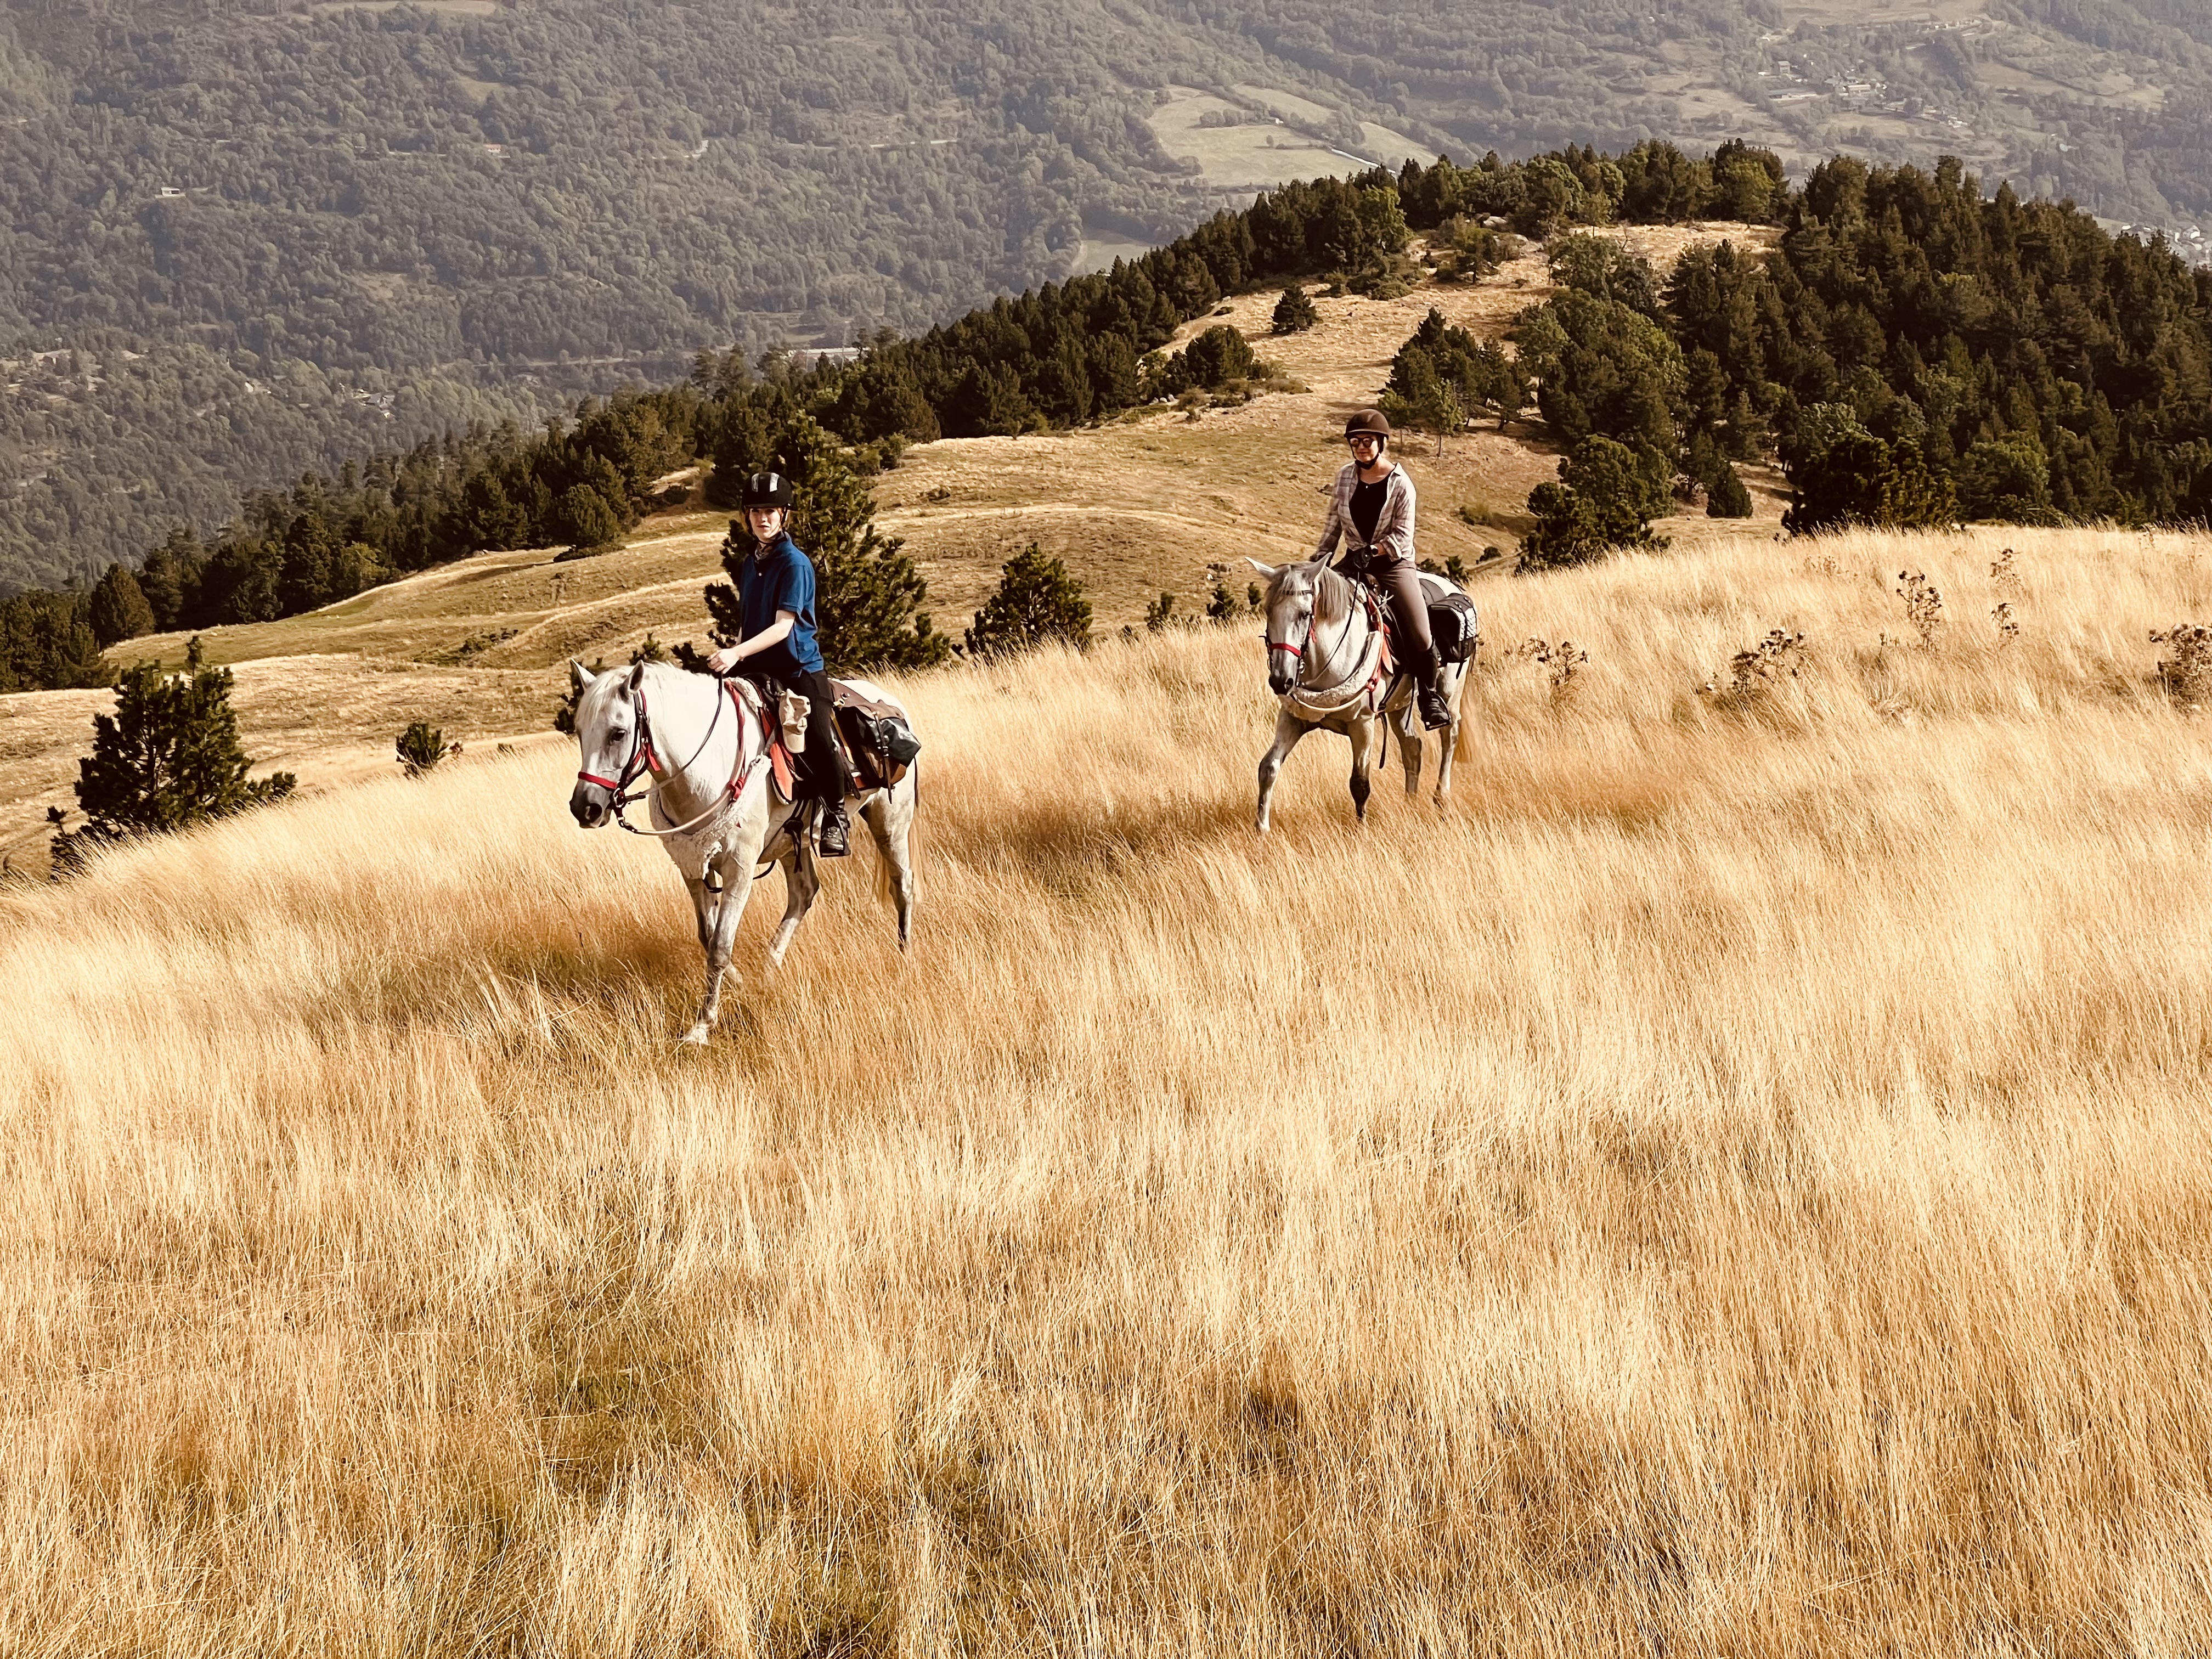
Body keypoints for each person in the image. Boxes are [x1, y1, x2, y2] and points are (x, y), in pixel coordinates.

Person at [704, 471, 854, 856]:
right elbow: (747, 624)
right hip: (756, 670)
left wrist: (737, 653)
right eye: (755, 511)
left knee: (820, 738)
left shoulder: (794, 563)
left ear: (784, 514)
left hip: (798, 669)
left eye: (770, 510)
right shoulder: (750, 563)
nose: (762, 518)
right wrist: (732, 659)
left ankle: (837, 817)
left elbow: (783, 627)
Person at [1313, 409, 1450, 729]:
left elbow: (1403, 536)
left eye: (1368, 441)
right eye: (1356, 441)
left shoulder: (1402, 485)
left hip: (1393, 565)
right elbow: (1333, 525)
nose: (1361, 447)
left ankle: (1430, 697)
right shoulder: (1345, 477)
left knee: (1419, 631)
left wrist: (1373, 550)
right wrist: (1318, 562)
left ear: (1382, 443)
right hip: (1354, 562)